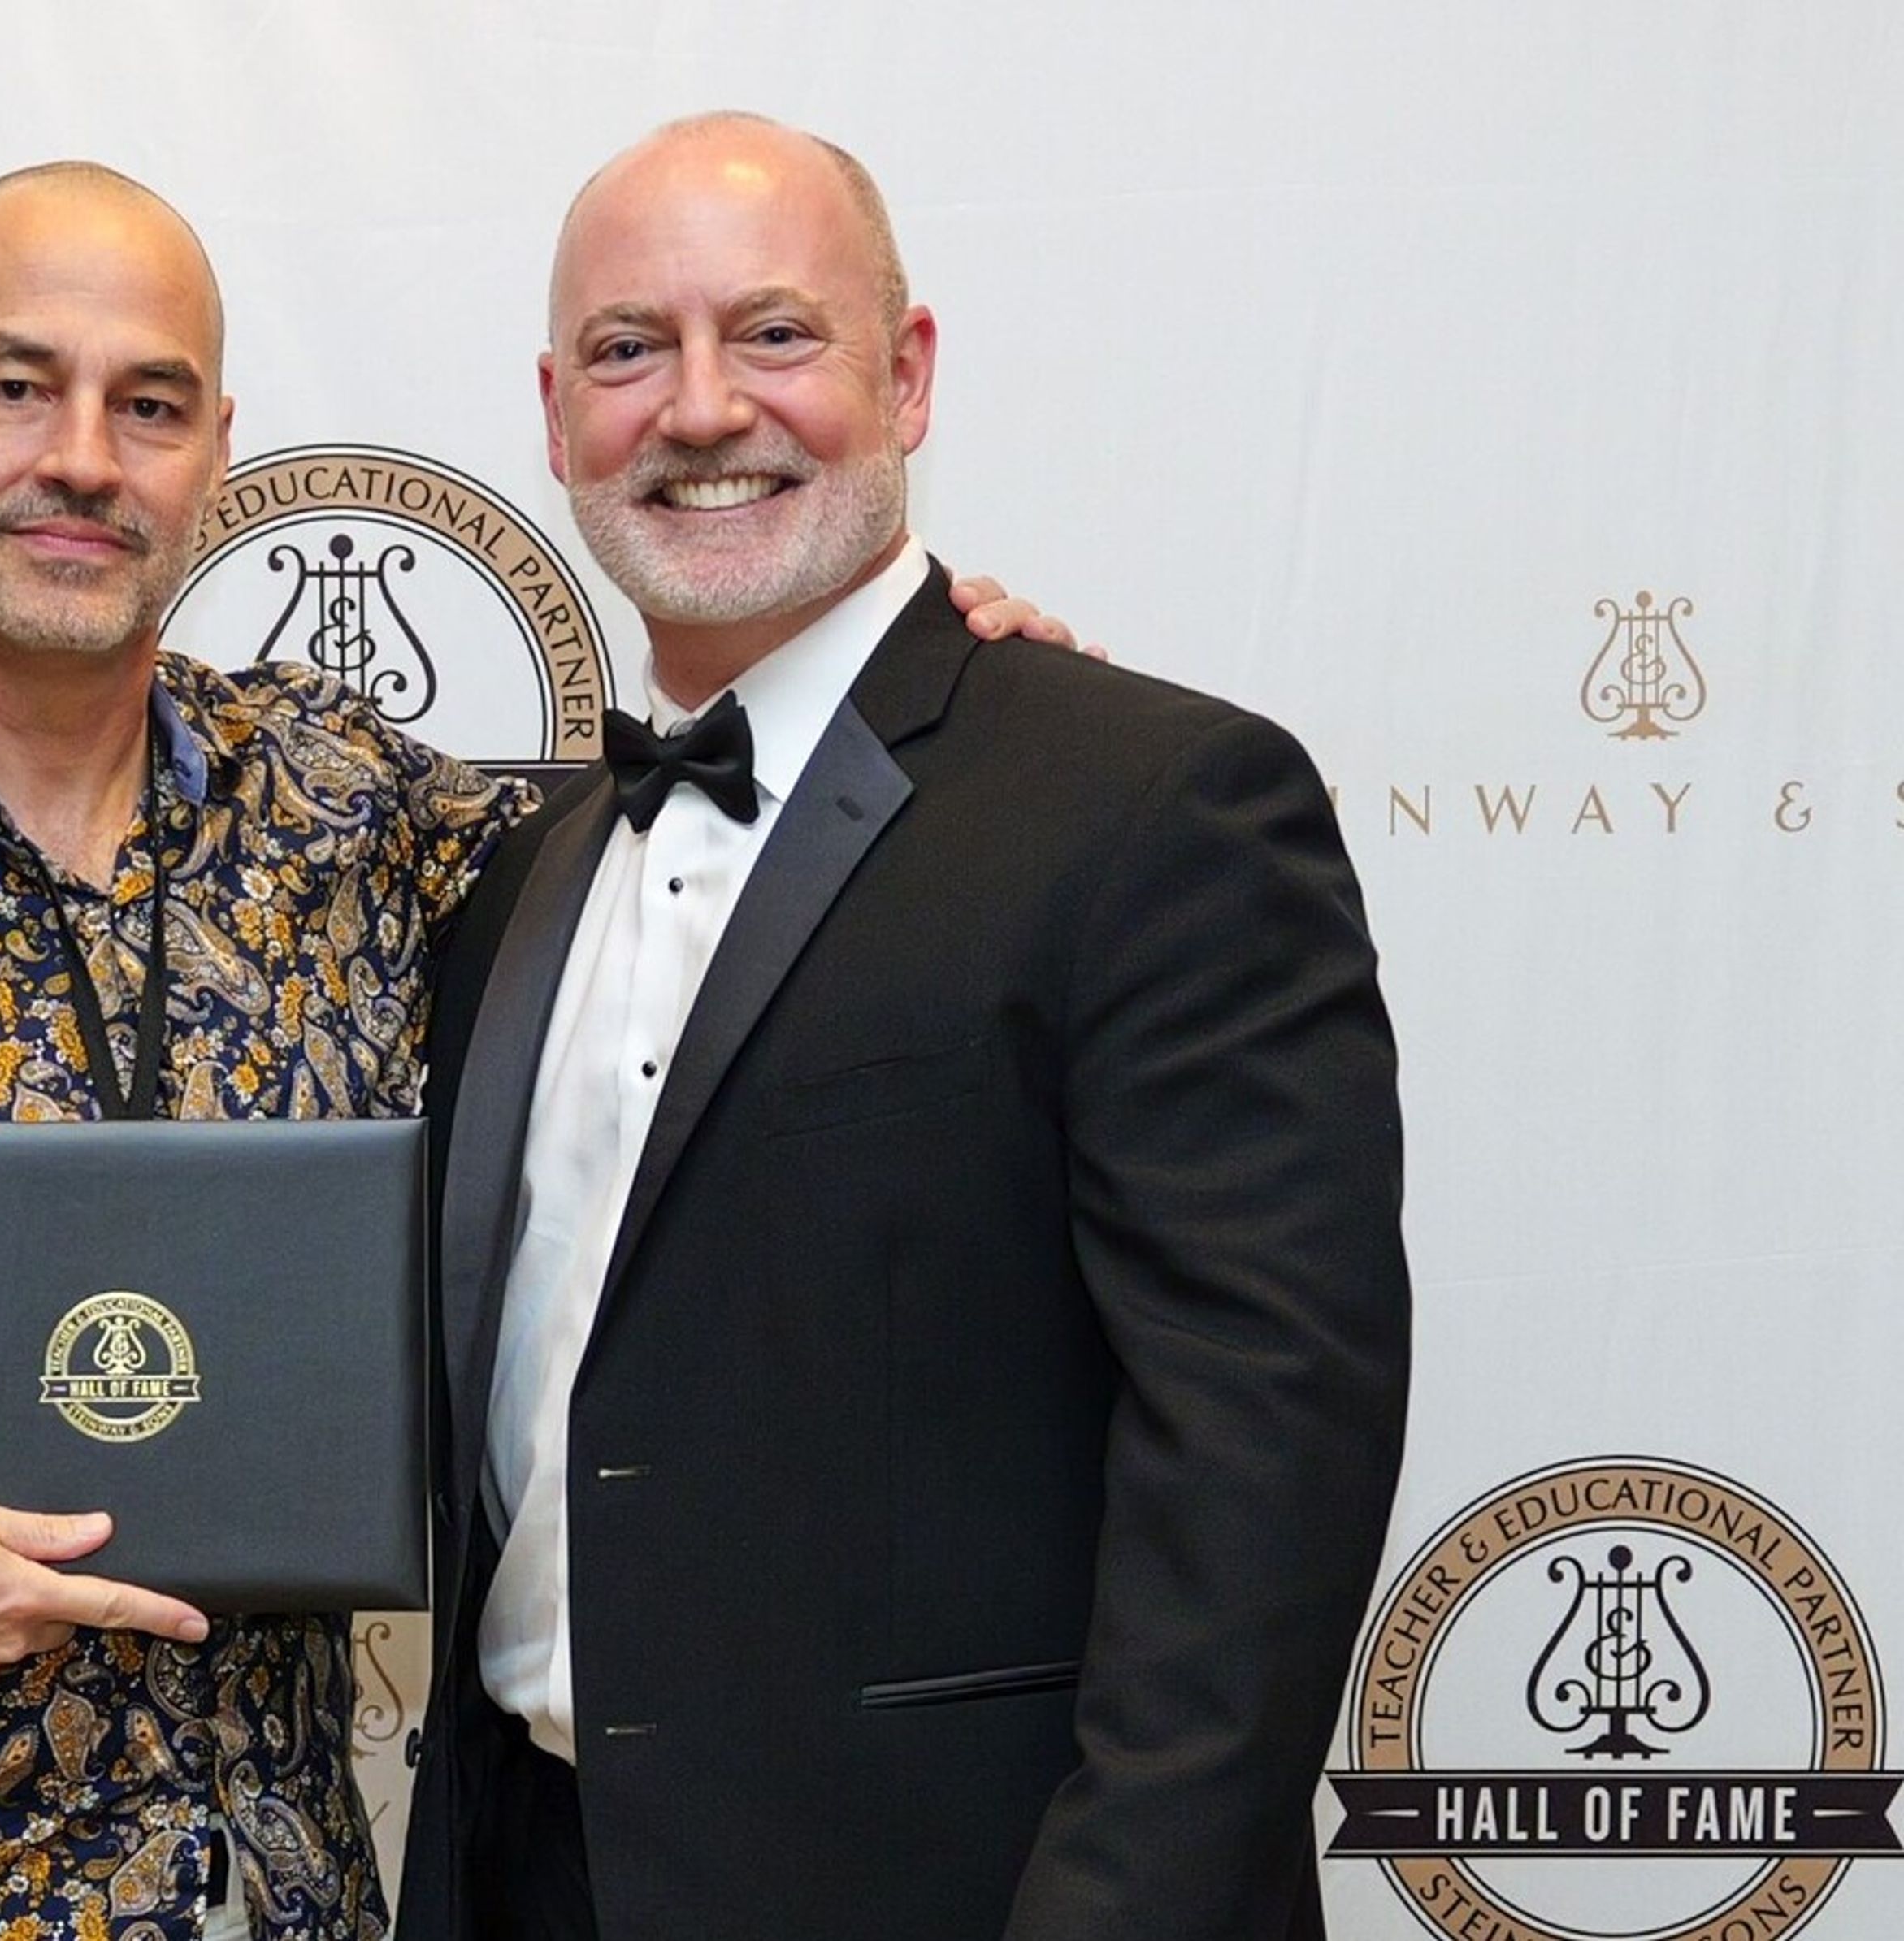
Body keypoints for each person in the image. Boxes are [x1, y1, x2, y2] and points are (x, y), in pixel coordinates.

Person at [0, 154, 1074, 1940]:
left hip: (280, 1900)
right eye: (18, 384)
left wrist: (930, 690)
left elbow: (730, 862)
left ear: (215, 452)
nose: (84, 455)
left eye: (148, 403)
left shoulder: (353, 812)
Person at [397, 115, 1411, 1940]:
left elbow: (1260, 1493)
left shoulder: (1152, 806)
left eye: (774, 335)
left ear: (909, 373)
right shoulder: (516, 878)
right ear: (556, 421)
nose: (701, 409)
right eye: (631, 351)